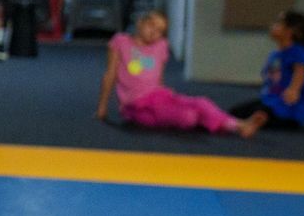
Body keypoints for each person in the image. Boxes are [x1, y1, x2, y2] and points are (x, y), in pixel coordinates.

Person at [98, 10, 248, 136]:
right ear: (140, 23)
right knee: (188, 117)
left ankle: (238, 125)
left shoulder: (161, 45)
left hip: (158, 96)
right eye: (151, 26)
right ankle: (212, 121)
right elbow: (110, 74)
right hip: (134, 105)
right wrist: (102, 107)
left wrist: (168, 96)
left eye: (159, 31)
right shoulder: (121, 41)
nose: (154, 33)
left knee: (201, 103)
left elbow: (159, 77)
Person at [231, 10, 304, 134]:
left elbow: (300, 71)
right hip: (272, 101)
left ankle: (253, 123)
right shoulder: (275, 55)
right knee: (236, 112)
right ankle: (247, 122)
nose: (273, 25)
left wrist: (294, 89)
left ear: (292, 31)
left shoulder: (298, 51)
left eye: (278, 23)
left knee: (263, 113)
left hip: (289, 109)